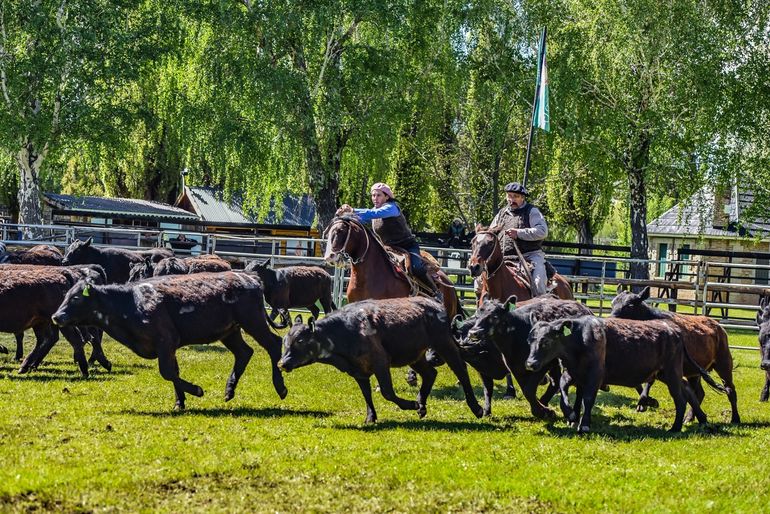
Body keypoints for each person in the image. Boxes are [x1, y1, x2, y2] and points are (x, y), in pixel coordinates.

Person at [336, 182, 442, 301]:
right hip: (387, 248)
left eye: (379, 195)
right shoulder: (374, 211)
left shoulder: (392, 208)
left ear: (387, 197)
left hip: (407, 245)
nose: (375, 198)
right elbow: (361, 218)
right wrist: (345, 215)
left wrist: (353, 210)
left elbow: (374, 214)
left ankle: (435, 292)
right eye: (373, 195)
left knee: (416, 266)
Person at [489, 182, 548, 296]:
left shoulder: (532, 211)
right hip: (503, 258)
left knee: (538, 283)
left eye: (515, 196)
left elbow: (542, 231)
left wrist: (519, 233)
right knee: (481, 281)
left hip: (530, 256)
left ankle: (540, 304)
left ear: (522, 198)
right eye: (509, 196)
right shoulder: (501, 213)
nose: (511, 200)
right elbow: (491, 234)